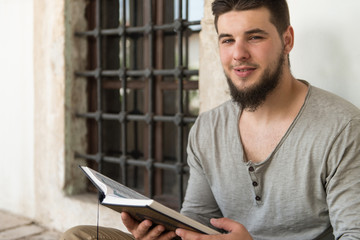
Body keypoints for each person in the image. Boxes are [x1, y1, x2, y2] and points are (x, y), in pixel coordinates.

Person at [61, 0, 360, 239]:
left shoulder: (342, 128)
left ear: (287, 40)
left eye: (254, 37)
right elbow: (198, 217)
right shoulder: (207, 128)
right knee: (80, 236)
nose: (238, 54)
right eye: (227, 40)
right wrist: (165, 231)